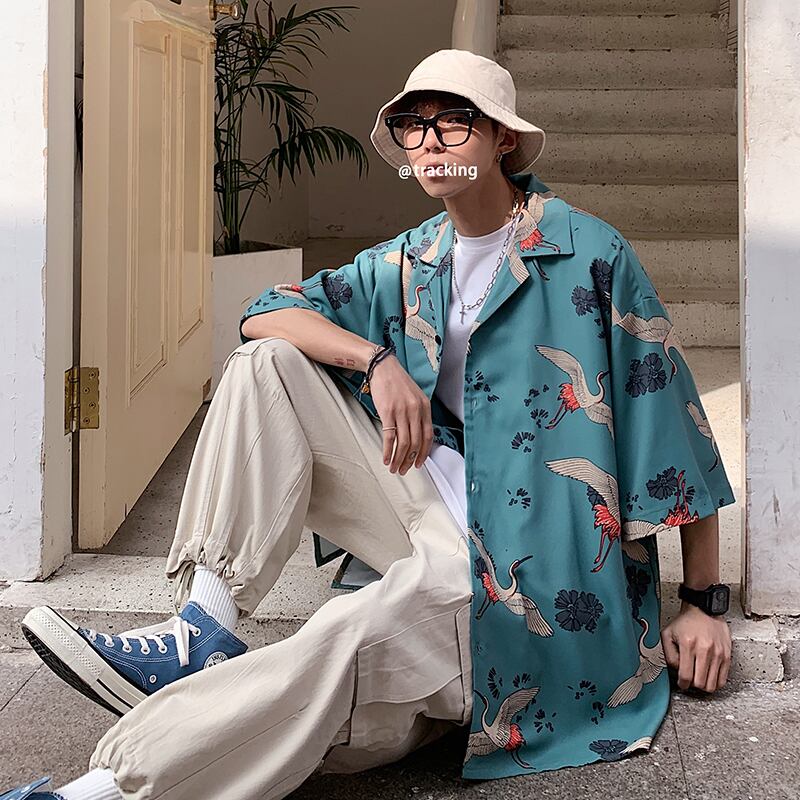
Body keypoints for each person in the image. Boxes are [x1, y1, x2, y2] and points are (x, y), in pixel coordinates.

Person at [5, 48, 736, 800]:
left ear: (503, 140)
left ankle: (95, 792)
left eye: (455, 122)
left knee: (345, 639)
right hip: (423, 500)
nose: (431, 141)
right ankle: (203, 627)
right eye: (414, 126)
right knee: (267, 363)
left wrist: (702, 604)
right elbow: (266, 312)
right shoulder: (413, 258)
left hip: (528, 565)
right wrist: (375, 361)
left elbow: (673, 437)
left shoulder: (591, 254)